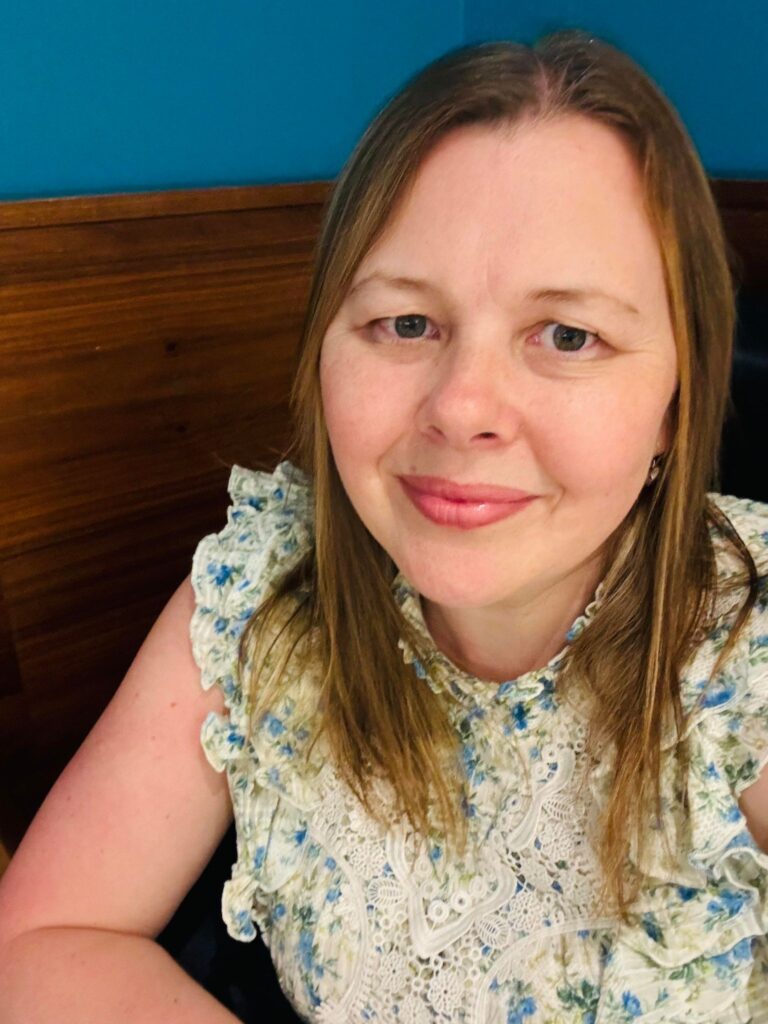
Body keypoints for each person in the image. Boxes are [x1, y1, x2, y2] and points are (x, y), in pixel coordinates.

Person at [1, 26, 768, 1024]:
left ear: (676, 399)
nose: (462, 405)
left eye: (569, 335)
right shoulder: (260, 592)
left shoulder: (744, 644)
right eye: (406, 323)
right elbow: (43, 941)